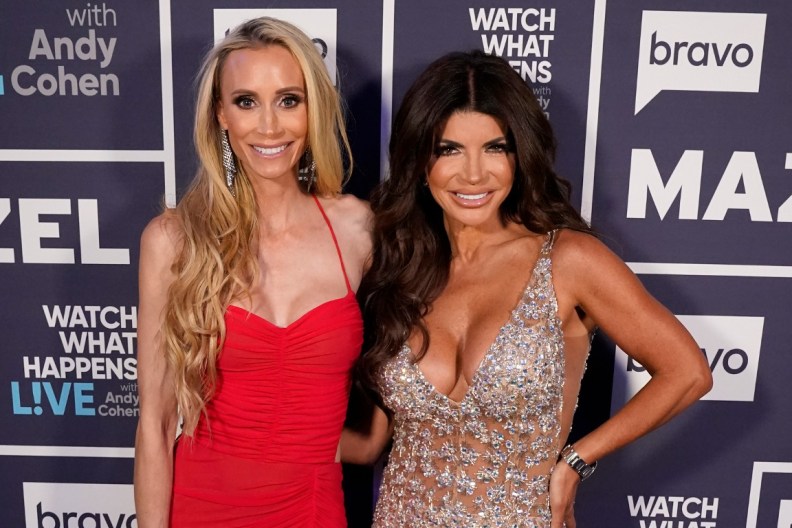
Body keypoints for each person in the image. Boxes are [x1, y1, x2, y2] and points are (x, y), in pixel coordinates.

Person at [341, 50, 712, 528]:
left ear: (520, 154)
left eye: (495, 147)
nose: (473, 173)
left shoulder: (569, 260)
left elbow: (687, 372)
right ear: (418, 159)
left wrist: (576, 461)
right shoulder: (395, 263)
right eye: (448, 149)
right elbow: (371, 440)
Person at [134, 17, 371, 528]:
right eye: (246, 102)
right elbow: (154, 425)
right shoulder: (173, 241)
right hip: (202, 506)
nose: (269, 126)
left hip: (312, 507)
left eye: (288, 100)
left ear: (314, 108)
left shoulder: (357, 229)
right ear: (221, 114)